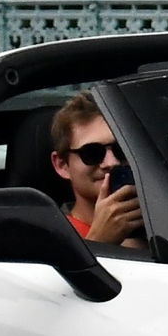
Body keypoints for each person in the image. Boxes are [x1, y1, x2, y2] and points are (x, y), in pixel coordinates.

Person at [48, 92, 144, 246]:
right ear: (62, 165)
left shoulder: (166, 218)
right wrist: (99, 241)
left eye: (121, 150)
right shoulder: (51, 237)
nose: (111, 162)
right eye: (92, 153)